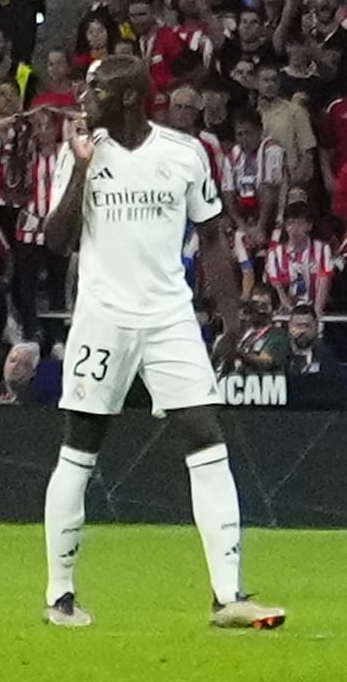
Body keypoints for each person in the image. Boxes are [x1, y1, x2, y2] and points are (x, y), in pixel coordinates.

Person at [36, 54, 276, 632]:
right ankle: (60, 595)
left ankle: (229, 596)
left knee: (205, 434)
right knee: (81, 446)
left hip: (169, 317)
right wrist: (81, 169)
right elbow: (54, 239)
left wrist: (229, 315)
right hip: (103, 318)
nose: (82, 98)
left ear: (127, 98)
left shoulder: (184, 154)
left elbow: (212, 237)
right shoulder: (79, 154)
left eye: (94, 90)